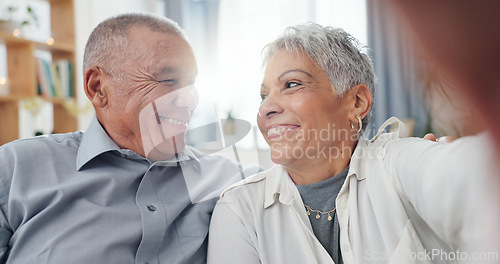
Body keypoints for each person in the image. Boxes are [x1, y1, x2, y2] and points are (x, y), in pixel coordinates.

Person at [207, 23, 499, 264]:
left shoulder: (398, 163)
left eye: (292, 84)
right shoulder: (239, 209)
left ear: (356, 102)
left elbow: (474, 179)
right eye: (263, 96)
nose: (266, 108)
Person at [0, 13, 258, 263]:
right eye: (168, 80)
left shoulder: (229, 181)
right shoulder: (16, 168)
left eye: (191, 83)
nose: (190, 100)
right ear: (98, 87)